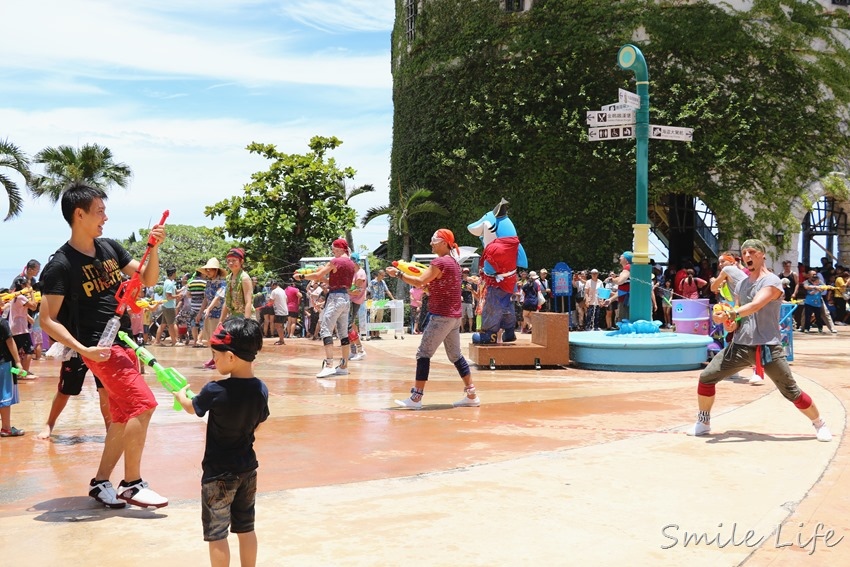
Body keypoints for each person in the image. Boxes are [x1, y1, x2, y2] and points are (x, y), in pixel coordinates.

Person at [39, 182, 169, 507]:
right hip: (98, 348)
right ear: (79, 214)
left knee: (123, 417)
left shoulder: (109, 248)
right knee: (145, 404)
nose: (105, 218)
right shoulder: (61, 264)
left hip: (123, 342)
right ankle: (132, 483)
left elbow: (147, 279)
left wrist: (153, 247)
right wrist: (82, 351)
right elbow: (47, 320)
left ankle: (100, 484)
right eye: (100, 211)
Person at [687, 239, 832, 442]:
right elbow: (738, 318)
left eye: (752, 252)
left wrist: (731, 312)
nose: (747, 256)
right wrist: (729, 322)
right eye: (744, 253)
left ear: (762, 255)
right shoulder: (742, 285)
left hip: (767, 348)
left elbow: (755, 305)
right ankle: (703, 421)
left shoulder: (772, 281)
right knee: (706, 378)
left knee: (791, 391)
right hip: (739, 345)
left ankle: (820, 424)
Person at [174, 318, 269, 567]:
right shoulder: (261, 389)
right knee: (246, 528)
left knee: (217, 535)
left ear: (230, 357)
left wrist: (181, 394)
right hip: (247, 469)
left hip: (218, 475)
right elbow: (259, 421)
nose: (214, 360)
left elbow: (190, 407)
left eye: (215, 355)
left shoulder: (214, 390)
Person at [388, 229, 479, 409]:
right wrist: (430, 289)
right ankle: (471, 394)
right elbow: (436, 287)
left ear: (444, 242)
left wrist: (398, 273)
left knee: (423, 354)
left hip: (441, 316)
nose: (431, 243)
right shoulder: (454, 263)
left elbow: (419, 281)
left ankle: (416, 398)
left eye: (434, 240)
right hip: (454, 316)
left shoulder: (440, 261)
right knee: (455, 356)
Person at [301, 238, 357, 378]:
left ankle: (329, 365)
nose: (333, 251)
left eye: (334, 249)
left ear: (339, 249)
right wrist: (321, 278)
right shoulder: (351, 264)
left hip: (335, 298)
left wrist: (302, 276)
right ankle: (343, 365)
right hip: (345, 299)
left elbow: (318, 275)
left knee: (326, 329)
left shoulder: (335, 261)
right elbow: (332, 282)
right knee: (343, 333)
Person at [1, 307, 25, 437]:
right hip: (3, 364)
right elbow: (10, 341)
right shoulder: (2, 322)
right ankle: (6, 428)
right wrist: (18, 362)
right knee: (5, 396)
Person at [9, 276, 38, 377]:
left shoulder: (14, 298)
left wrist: (29, 319)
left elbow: (22, 312)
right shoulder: (21, 297)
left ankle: (16, 373)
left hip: (15, 328)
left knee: (16, 353)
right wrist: (31, 293)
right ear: (23, 286)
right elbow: (34, 307)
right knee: (29, 351)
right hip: (20, 329)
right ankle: (24, 374)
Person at [199, 258, 227, 349]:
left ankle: (218, 360)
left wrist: (209, 308)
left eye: (210, 269)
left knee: (218, 339)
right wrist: (200, 312)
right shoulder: (208, 283)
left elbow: (217, 297)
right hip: (209, 315)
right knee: (210, 339)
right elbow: (206, 299)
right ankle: (214, 358)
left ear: (216, 270)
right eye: (206, 270)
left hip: (219, 315)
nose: (208, 271)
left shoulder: (222, 283)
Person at [347, 252, 367, 360]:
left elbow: (356, 291)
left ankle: (360, 349)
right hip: (351, 300)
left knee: (348, 326)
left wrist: (345, 290)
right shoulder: (354, 273)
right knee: (350, 326)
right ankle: (354, 350)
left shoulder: (360, 273)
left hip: (355, 301)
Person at [154, 267, 179, 346]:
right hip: (169, 307)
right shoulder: (169, 283)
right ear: (173, 273)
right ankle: (175, 341)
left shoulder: (167, 282)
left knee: (163, 324)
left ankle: (157, 341)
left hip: (166, 306)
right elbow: (169, 296)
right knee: (171, 324)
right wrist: (177, 296)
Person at [368, 269, 394, 339]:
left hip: (382, 301)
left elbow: (387, 291)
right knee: (372, 318)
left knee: (379, 318)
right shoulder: (372, 282)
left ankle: (377, 334)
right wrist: (367, 300)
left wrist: (393, 299)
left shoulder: (383, 282)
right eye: (382, 275)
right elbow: (368, 291)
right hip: (374, 301)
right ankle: (372, 334)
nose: (383, 277)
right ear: (379, 275)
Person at [607, 251, 632, 322]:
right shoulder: (627, 269)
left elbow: (620, 281)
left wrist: (612, 280)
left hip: (626, 302)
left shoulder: (627, 267)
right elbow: (623, 290)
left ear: (626, 260)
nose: (620, 258)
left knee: (623, 321)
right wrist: (610, 300)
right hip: (625, 301)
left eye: (622, 256)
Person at [267, 280, 288, 345]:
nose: (270, 287)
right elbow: (287, 299)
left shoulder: (274, 291)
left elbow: (271, 301)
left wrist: (268, 303)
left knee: (278, 325)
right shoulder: (282, 290)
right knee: (279, 325)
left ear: (274, 285)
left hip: (280, 311)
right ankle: (281, 339)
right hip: (284, 310)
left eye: (271, 286)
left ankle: (281, 340)